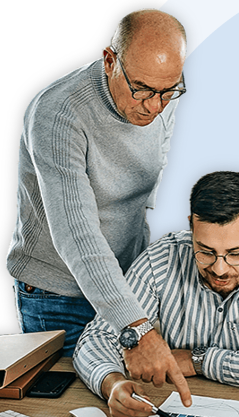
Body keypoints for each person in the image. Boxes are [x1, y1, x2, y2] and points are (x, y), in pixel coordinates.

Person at [7, 8, 194, 406]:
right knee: (73, 408)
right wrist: (136, 328)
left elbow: (154, 159)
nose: (155, 106)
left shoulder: (160, 89)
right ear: (111, 60)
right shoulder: (57, 114)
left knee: (128, 403)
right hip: (57, 296)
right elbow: (78, 237)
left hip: (125, 283)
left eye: (169, 90)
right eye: (142, 89)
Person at [73, 171, 239, 416]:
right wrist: (112, 383)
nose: (219, 269)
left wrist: (200, 361)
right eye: (206, 251)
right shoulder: (162, 257)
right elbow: (96, 338)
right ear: (191, 228)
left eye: (236, 253)